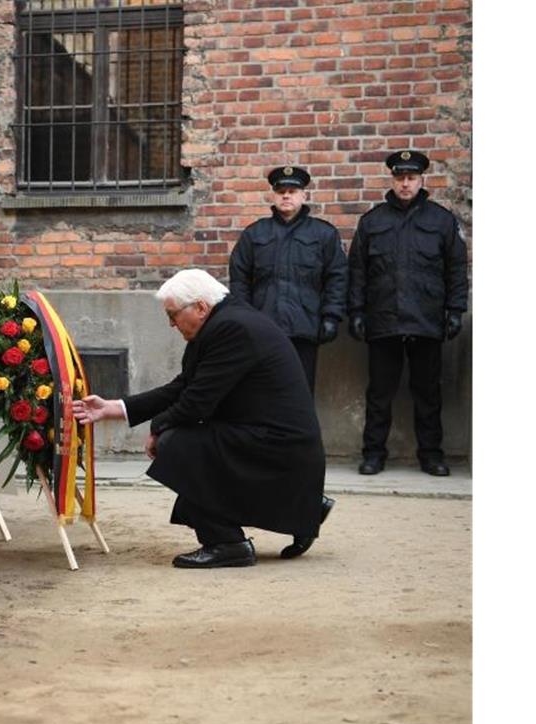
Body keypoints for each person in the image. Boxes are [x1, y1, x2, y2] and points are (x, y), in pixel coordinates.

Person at [73, 269, 332, 567]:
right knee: (186, 445)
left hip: (279, 446)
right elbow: (183, 386)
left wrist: (159, 429)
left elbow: (197, 403)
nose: (171, 324)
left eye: (172, 315)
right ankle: (301, 505)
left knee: (177, 445)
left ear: (200, 307)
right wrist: (113, 408)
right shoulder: (223, 322)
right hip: (269, 439)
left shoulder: (231, 328)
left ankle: (228, 543)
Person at [346, 150, 469, 476]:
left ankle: (431, 455)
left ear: (420, 180)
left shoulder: (441, 221)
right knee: (379, 394)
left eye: (411, 178)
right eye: (400, 178)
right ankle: (374, 454)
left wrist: (455, 310)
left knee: (428, 394)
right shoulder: (372, 222)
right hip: (383, 319)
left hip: (426, 320)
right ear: (393, 179)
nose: (405, 183)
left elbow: (456, 270)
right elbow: (357, 270)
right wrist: (356, 311)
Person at [228, 165, 348, 392]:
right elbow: (239, 278)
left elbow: (337, 277)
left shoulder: (323, 234)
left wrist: (331, 316)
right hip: (264, 328)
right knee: (263, 392)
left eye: (292, 191)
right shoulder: (255, 233)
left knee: (300, 392)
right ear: (273, 195)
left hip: (305, 327)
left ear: (304, 194)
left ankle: (300, 430)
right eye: (281, 191)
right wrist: (245, 318)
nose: (286, 196)